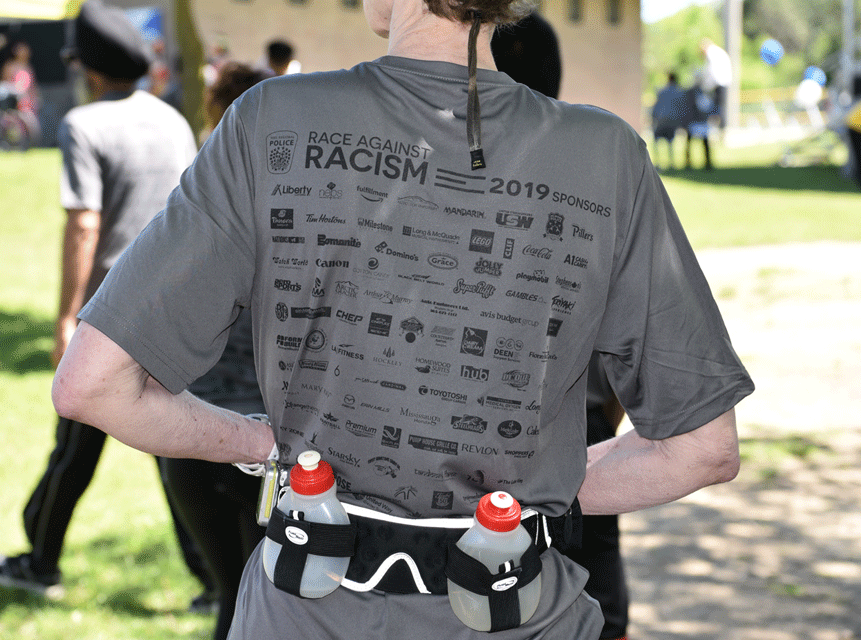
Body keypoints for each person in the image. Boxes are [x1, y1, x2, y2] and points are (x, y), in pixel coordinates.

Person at [53, 0, 755, 638]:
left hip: (302, 609)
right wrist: (525, 500)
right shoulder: (607, 155)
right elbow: (702, 447)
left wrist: (263, 444)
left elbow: (93, 384)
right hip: (517, 610)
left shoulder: (271, 121)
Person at [0, 0, 198, 599]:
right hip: (177, 311)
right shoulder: (172, 121)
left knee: (75, 448)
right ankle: (213, 577)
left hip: (111, 318)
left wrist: (66, 318)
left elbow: (85, 223)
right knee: (177, 453)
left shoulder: (84, 125)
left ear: (86, 69)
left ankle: (41, 562)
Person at [492, 24, 629, 640]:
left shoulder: (445, 171)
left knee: (487, 602)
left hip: (476, 436)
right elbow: (629, 333)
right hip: (582, 431)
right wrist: (603, 415)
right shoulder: (603, 168)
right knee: (595, 604)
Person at [160, 60, 270, 640]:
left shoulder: (187, 206)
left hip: (192, 433)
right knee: (257, 603)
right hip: (262, 442)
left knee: (235, 597)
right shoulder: (307, 216)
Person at [650, 71, 687, 171]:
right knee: (671, 142)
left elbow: (656, 106)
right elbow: (682, 108)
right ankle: (671, 163)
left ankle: (657, 163)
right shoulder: (679, 92)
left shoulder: (662, 91)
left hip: (662, 119)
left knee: (656, 140)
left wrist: (653, 118)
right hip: (673, 120)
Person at [699, 37, 731, 129]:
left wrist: (705, 86)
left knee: (717, 107)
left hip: (718, 83)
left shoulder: (711, 52)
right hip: (723, 82)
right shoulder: (717, 51)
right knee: (721, 106)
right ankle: (721, 126)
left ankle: (719, 127)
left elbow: (711, 71)